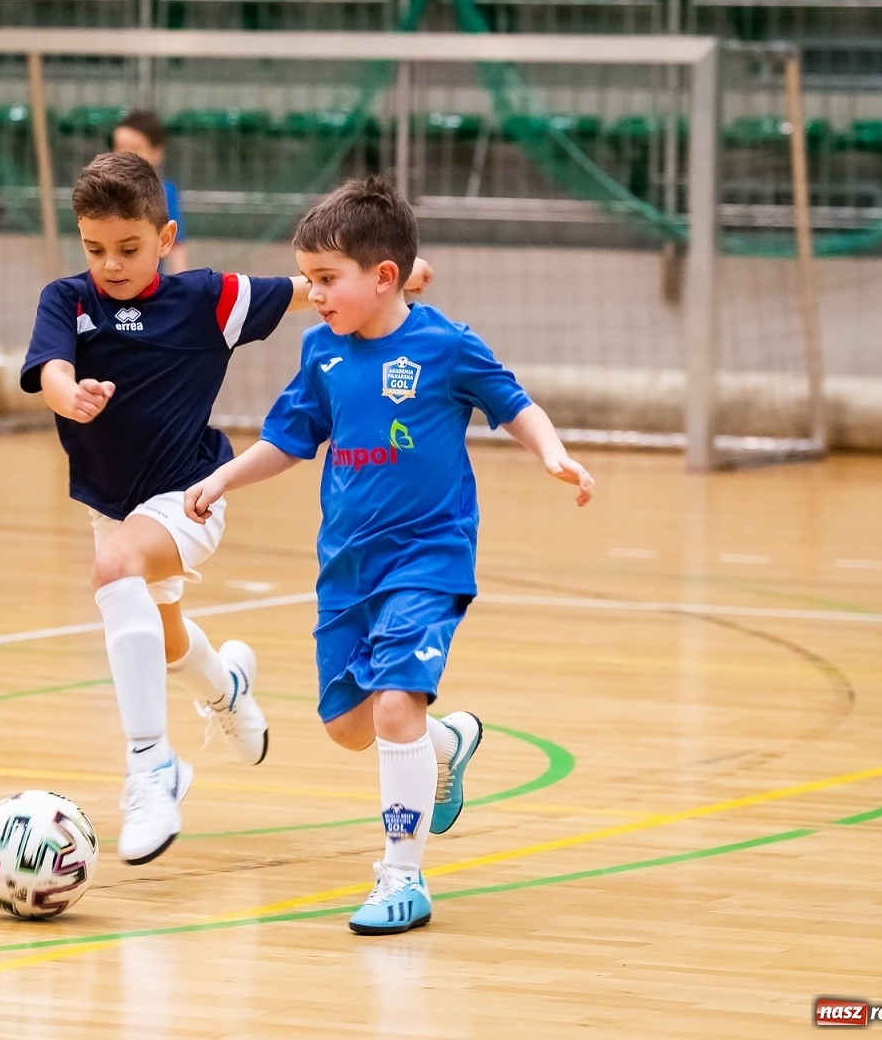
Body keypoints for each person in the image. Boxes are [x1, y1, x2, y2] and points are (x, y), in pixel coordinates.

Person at [183, 176, 593, 934]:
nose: (314, 294)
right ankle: (446, 744)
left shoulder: (445, 346)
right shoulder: (321, 351)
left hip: (430, 557)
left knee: (398, 702)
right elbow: (289, 441)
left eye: (326, 279)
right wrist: (223, 477)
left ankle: (402, 878)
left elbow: (514, 403)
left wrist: (552, 452)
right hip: (348, 565)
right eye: (307, 278)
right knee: (349, 726)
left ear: (383, 276)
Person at [20, 153, 432, 867]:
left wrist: (390, 277)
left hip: (191, 495)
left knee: (114, 569)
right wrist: (69, 395)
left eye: (128, 248)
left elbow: (304, 289)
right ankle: (227, 688)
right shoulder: (67, 301)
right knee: (164, 638)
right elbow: (52, 368)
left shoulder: (209, 299)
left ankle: (151, 765)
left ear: (165, 237)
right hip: (112, 504)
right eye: (95, 248)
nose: (110, 264)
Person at [113, 111, 190, 273]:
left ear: (156, 153)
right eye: (119, 147)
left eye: (135, 148)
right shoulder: (104, 192)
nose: (125, 155)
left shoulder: (164, 193)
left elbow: (176, 245)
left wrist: (184, 283)